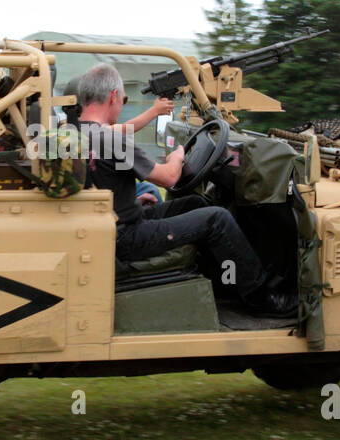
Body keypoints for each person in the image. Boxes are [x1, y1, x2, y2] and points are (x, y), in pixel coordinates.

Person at [75, 64, 298, 317]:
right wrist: (179, 155)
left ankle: (226, 280)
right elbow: (169, 178)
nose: (122, 105)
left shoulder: (74, 134)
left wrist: (133, 199)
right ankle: (262, 297)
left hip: (112, 224)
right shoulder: (112, 140)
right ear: (113, 96)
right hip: (126, 237)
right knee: (218, 218)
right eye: (123, 99)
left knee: (195, 204)